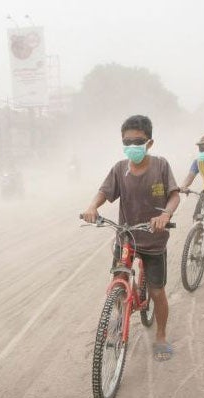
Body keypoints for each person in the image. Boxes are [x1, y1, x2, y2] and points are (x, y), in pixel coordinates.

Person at [82, 115, 180, 362]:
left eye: (138, 141)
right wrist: (92, 207)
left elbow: (174, 196)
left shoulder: (161, 166)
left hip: (154, 238)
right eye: (127, 141)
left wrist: (166, 214)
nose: (132, 146)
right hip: (126, 237)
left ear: (150, 143)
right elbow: (104, 192)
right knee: (119, 281)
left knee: (157, 292)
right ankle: (118, 322)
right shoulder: (119, 169)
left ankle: (160, 335)